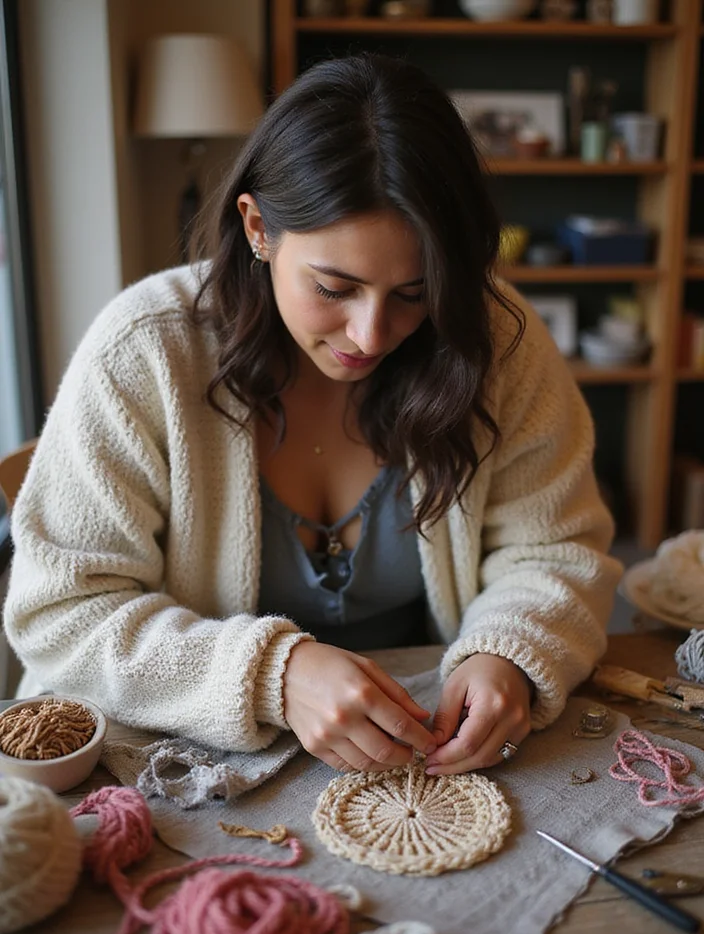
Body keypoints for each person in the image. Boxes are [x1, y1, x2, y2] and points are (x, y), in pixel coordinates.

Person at [3, 54, 621, 776]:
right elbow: (62, 615)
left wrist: (510, 651)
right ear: (258, 227)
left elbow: (557, 549)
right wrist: (273, 674)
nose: (369, 335)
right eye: (334, 287)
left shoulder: (493, 338)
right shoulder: (144, 352)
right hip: (189, 761)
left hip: (430, 747)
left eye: (413, 293)